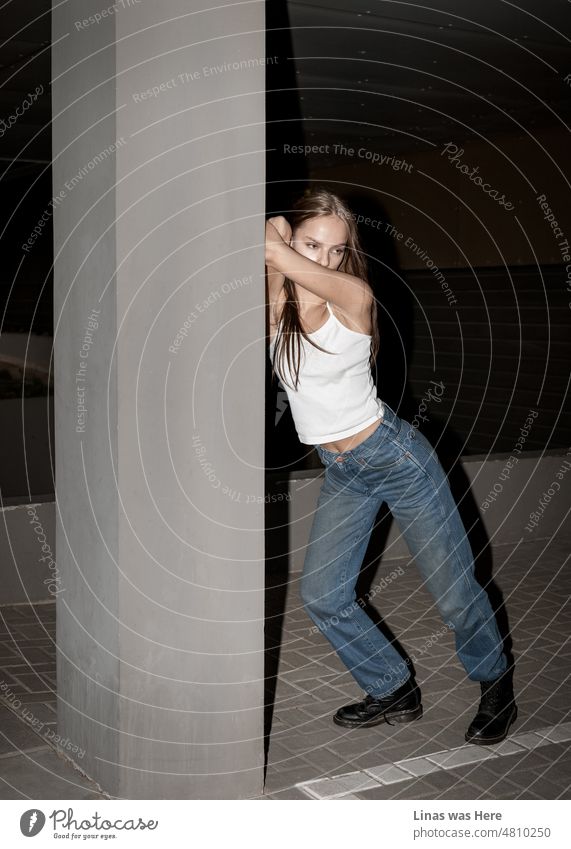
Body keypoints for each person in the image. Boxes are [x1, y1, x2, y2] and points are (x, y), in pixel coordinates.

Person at [265, 187, 517, 745]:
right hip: (342, 469)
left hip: (395, 458)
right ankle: (393, 687)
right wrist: (283, 230)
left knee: (453, 591)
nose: (323, 260)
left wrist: (287, 243)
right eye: (314, 243)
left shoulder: (351, 295)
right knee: (324, 595)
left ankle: (496, 682)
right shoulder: (279, 302)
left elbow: (273, 246)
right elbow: (272, 236)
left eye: (336, 249)